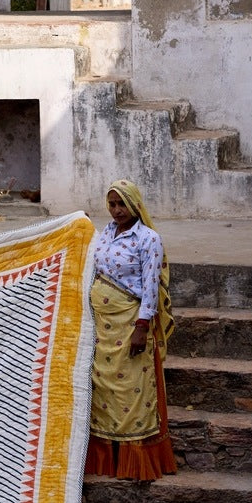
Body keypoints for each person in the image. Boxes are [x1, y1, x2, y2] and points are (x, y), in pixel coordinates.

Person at [84, 178, 177, 481]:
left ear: (135, 204)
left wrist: (141, 327)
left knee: (131, 391)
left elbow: (151, 285)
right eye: (111, 204)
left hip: (129, 324)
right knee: (105, 389)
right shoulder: (104, 235)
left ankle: (135, 460)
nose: (116, 210)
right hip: (102, 327)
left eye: (121, 203)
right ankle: (106, 458)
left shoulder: (147, 239)